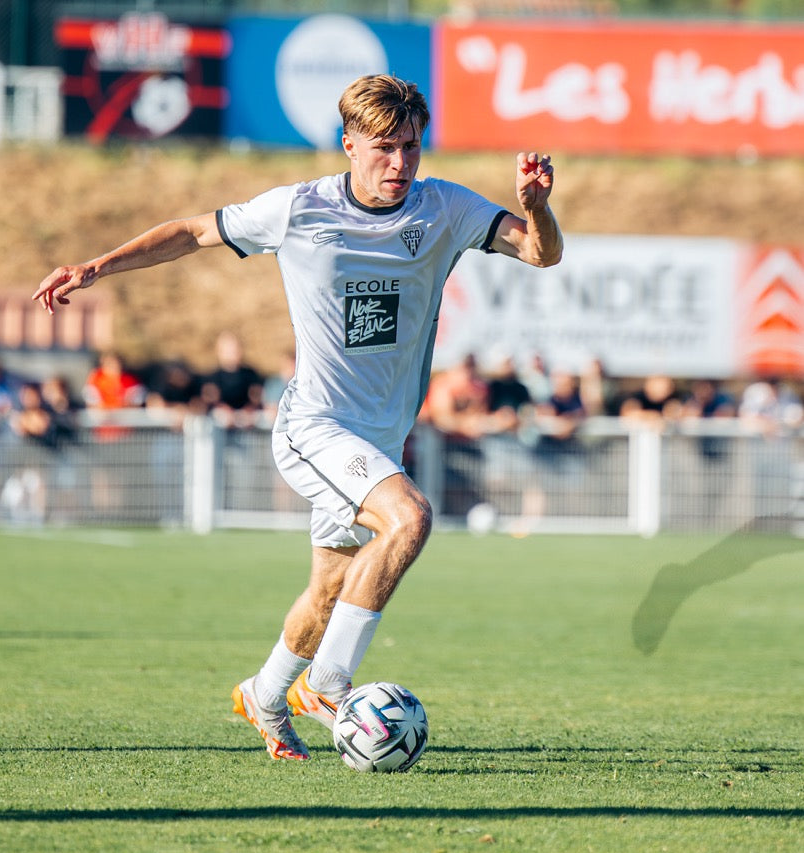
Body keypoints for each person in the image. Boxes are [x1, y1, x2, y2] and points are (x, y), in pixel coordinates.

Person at [32, 74, 563, 761]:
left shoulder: (446, 209)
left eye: (409, 147)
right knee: (409, 518)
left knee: (327, 592)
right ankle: (330, 681)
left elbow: (540, 252)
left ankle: (265, 691)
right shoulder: (297, 210)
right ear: (348, 146)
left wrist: (536, 207)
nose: (399, 163)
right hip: (314, 427)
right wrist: (96, 267)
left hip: (377, 438)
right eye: (382, 148)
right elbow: (194, 231)